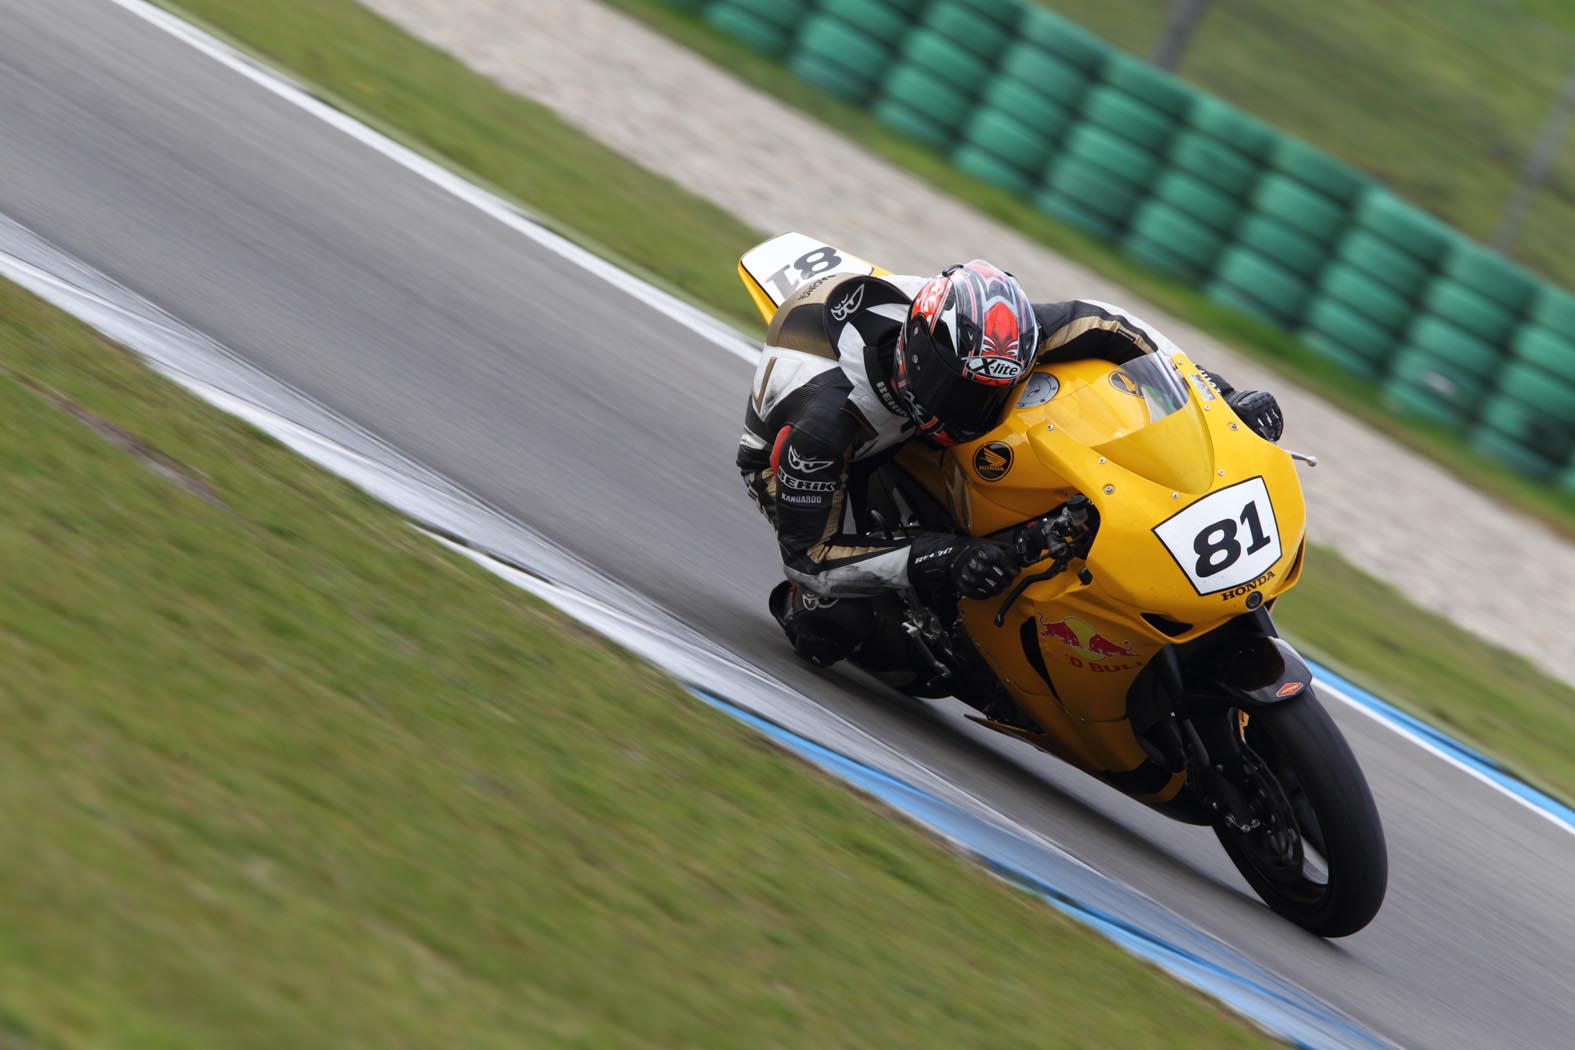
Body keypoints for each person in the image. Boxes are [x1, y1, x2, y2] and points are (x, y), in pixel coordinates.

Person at [738, 259, 1282, 681]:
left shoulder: (997, 340)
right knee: (835, 629)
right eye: (964, 393)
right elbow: (810, 558)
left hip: (907, 412)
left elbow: (1115, 325)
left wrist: (1220, 398)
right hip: (801, 463)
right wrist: (947, 556)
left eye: (993, 393)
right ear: (921, 362)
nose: (978, 412)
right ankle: (815, 616)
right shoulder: (824, 423)